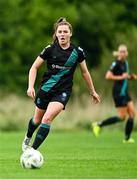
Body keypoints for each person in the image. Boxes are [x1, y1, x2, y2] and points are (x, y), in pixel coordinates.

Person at [22, 17, 100, 151]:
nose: (62, 34)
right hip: (46, 89)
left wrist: (92, 91)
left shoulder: (77, 52)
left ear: (70, 33)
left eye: (65, 31)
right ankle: (28, 137)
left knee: (46, 119)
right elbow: (34, 68)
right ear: (56, 34)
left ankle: (32, 151)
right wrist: (30, 86)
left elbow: (85, 72)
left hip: (63, 92)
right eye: (60, 32)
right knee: (36, 120)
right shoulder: (49, 49)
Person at [92, 44, 137, 143]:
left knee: (133, 114)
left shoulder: (125, 63)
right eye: (120, 51)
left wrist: (130, 77)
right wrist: (122, 77)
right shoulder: (115, 63)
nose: (122, 53)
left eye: (124, 51)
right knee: (122, 117)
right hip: (118, 92)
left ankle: (127, 138)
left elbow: (124, 75)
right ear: (118, 52)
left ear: (127, 53)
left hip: (125, 92)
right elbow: (108, 76)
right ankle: (99, 124)